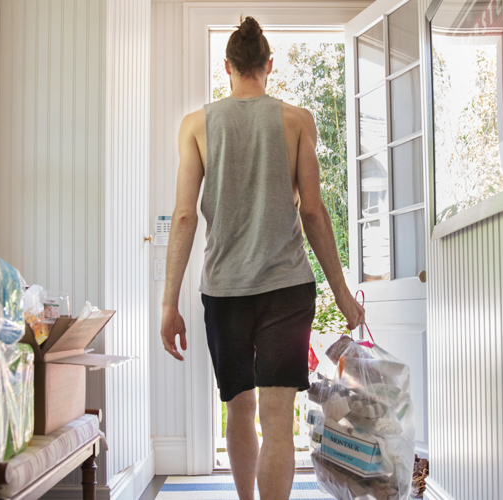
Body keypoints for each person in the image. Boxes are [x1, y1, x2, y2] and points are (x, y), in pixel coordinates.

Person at [160, 16, 365, 500]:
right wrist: (343, 295)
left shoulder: (195, 125)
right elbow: (312, 210)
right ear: (268, 66)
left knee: (239, 410)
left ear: (227, 66)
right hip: (286, 290)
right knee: (277, 421)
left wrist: (168, 304)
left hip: (225, 291)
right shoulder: (297, 121)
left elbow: (185, 217)